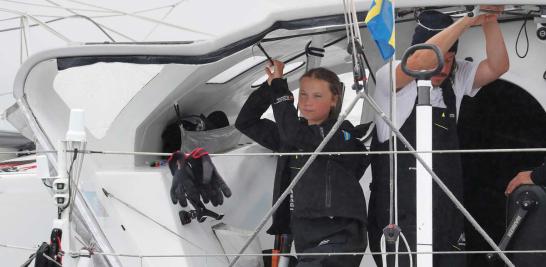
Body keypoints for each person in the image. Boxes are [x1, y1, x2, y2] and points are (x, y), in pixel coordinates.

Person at [367, 7, 509, 267]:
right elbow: (418, 62)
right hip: (401, 215)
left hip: (446, 213)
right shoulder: (390, 76)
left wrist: (488, 20)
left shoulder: (455, 80)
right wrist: (468, 19)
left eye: (450, 59)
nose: (443, 67)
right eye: (438, 58)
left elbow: (498, 66)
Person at [235, 60, 369, 266]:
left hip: (339, 235)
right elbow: (246, 121)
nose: (307, 101)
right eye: (303, 94)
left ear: (334, 100)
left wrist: (280, 89)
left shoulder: (339, 135)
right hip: (305, 236)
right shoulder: (293, 135)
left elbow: (294, 135)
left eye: (317, 96)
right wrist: (270, 87)